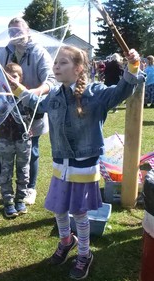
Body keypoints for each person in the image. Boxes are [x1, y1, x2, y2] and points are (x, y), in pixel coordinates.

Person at [14, 45, 143, 280]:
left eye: (63, 62)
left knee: (78, 212)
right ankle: (66, 241)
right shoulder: (53, 95)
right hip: (60, 162)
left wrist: (132, 66)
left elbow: (122, 91)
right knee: (59, 208)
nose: (56, 66)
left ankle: (84, 254)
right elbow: (35, 103)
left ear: (78, 68)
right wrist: (17, 88)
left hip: (84, 165)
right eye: (55, 63)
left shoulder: (95, 93)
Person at [0, 17, 57, 205]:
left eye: (17, 31)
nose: (14, 35)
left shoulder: (38, 52)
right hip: (6, 112)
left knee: (32, 151)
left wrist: (33, 93)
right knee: (0, 149)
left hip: (31, 111)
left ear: (28, 31)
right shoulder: (5, 52)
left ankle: (29, 188)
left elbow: (51, 80)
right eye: (11, 32)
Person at [0, 63, 32, 218]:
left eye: (14, 76)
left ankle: (20, 199)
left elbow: (37, 111)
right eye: (7, 77)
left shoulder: (26, 94)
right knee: (6, 168)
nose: (11, 80)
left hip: (23, 139)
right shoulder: (0, 96)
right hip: (5, 138)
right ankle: (8, 200)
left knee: (23, 169)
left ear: (21, 78)